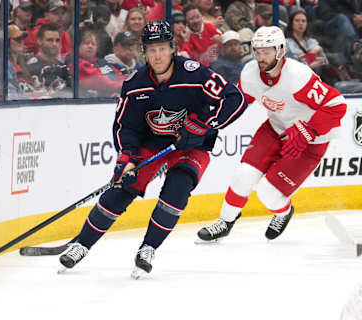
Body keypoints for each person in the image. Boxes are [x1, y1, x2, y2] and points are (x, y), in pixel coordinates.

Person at [59, 21, 248, 278]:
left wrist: (206, 126)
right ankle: (82, 244)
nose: (157, 55)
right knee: (121, 189)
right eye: (151, 50)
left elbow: (234, 98)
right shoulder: (135, 85)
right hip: (152, 144)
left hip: (191, 146)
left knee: (178, 189)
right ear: (144, 52)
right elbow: (125, 128)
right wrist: (127, 158)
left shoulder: (195, 73)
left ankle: (148, 248)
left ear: (172, 48)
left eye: (162, 48)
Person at [196, 26, 347, 242]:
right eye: (258, 51)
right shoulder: (250, 73)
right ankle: (225, 221)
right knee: (243, 176)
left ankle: (284, 212)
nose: (261, 57)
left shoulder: (298, 76)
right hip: (275, 128)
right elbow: (238, 102)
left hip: (311, 139)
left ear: (280, 51)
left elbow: (337, 105)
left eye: (267, 51)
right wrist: (210, 122)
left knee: (268, 193)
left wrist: (307, 130)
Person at [27, 23, 70, 97]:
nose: (54, 44)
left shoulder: (62, 66)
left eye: (57, 40)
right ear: (39, 41)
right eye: (50, 40)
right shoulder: (32, 67)